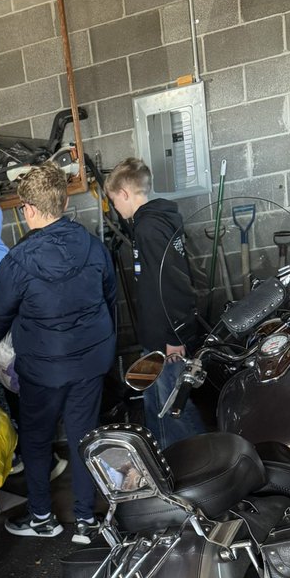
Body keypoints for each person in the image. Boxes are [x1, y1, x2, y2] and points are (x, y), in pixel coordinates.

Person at [0, 163, 116, 545]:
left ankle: (42, 518)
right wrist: (106, 347)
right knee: (83, 436)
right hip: (90, 362)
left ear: (28, 210)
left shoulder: (18, 261)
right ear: (65, 200)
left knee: (36, 440)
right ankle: (87, 521)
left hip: (42, 369)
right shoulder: (91, 245)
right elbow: (109, 298)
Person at [104, 157, 205, 448]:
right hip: (155, 334)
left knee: (174, 404)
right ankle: (166, 458)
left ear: (124, 193)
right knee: (154, 401)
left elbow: (172, 284)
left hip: (167, 338)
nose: (116, 208)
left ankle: (208, 459)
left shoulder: (149, 229)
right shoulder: (154, 222)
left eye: (114, 200)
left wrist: (174, 337)